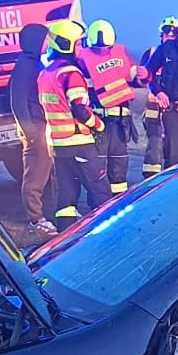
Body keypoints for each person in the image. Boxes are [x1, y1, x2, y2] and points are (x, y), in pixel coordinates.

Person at [38, 19, 112, 226]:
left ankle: (66, 236)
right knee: (100, 192)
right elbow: (80, 108)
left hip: (59, 146)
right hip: (79, 143)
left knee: (66, 199)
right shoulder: (71, 73)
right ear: (65, 44)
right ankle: (106, 234)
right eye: (78, 43)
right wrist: (99, 125)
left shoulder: (45, 74)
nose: (81, 48)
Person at [77, 19, 149, 194]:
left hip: (119, 122)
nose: (103, 51)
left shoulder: (119, 55)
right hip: (99, 122)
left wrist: (144, 74)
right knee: (99, 168)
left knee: (119, 165)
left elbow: (134, 75)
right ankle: (101, 203)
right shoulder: (82, 61)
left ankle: (118, 199)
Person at [8, 23, 57, 237]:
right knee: (35, 173)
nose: (48, 42)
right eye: (45, 39)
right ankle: (35, 219)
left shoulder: (35, 63)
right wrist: (30, 131)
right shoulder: (25, 66)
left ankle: (49, 215)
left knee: (46, 171)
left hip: (41, 125)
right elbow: (18, 102)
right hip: (34, 128)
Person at [146, 12, 178, 167]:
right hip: (173, 111)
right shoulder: (165, 49)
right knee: (173, 156)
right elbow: (148, 73)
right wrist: (158, 92)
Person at [138, 17, 178, 178]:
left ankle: (170, 179)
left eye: (173, 35)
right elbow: (143, 78)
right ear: (162, 35)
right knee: (154, 146)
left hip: (173, 111)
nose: (170, 37)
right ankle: (150, 179)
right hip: (153, 110)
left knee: (173, 148)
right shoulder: (151, 53)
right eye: (167, 34)